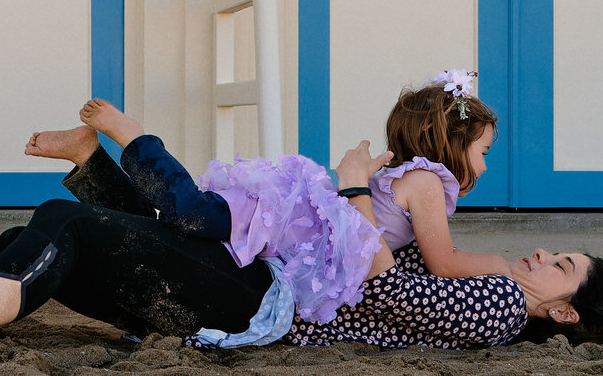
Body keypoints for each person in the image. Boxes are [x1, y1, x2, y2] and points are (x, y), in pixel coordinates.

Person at [0, 129, 603, 358]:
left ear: (563, 309)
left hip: (262, 307)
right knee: (43, 229)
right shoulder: (491, 293)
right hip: (260, 284)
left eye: (559, 266)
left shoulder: (496, 306)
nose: (538, 259)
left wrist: (358, 189)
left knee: (63, 227)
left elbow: (386, 285)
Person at [72, 97, 380, 322]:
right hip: (278, 219)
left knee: (164, 232)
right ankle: (135, 137)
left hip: (281, 241)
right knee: (191, 213)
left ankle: (90, 160)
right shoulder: (417, 182)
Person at [366, 69, 509, 277]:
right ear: (453, 146)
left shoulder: (409, 178)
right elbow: (444, 264)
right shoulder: (425, 183)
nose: (484, 167)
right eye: (483, 153)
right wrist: (502, 267)